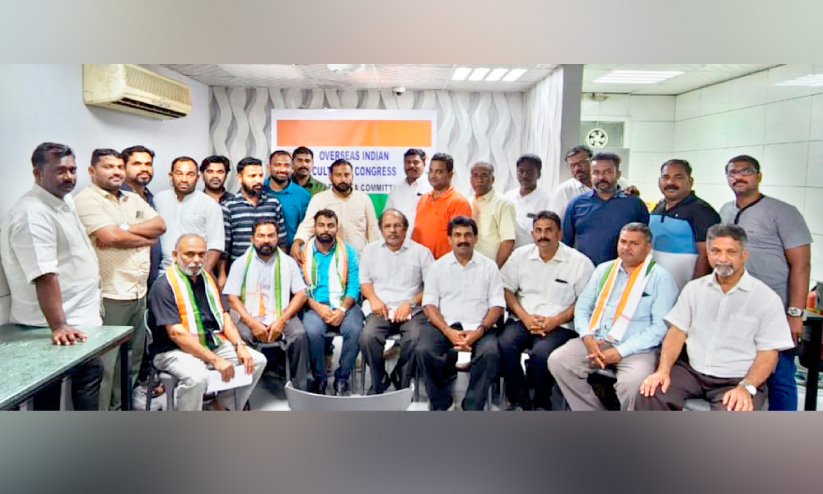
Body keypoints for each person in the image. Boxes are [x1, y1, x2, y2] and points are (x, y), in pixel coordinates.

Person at [637, 224, 795, 411]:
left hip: (737, 379)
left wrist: (746, 387)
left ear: (744, 255)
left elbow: (768, 353)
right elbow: (677, 332)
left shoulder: (766, 299)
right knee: (651, 392)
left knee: (735, 413)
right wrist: (663, 371)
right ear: (708, 254)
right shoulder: (694, 289)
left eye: (731, 252)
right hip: (691, 372)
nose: (723, 259)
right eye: (716, 251)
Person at [0, 142, 103, 410]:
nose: (69, 177)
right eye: (60, 170)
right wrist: (59, 325)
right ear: (38, 173)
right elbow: (43, 275)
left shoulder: (62, 200)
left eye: (72, 170)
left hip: (79, 320)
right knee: (49, 399)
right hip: (50, 328)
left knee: (87, 380)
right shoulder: (32, 213)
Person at [548, 223, 678, 411]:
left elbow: (660, 328)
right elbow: (582, 307)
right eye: (623, 242)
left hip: (637, 348)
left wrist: (620, 351)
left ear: (648, 247)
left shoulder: (661, 278)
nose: (626, 247)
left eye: (634, 243)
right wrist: (587, 336)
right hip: (598, 340)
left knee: (634, 385)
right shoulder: (604, 269)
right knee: (559, 361)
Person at [74, 148, 166, 410]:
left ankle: (121, 411)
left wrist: (124, 229)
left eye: (118, 167)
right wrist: (142, 238)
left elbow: (160, 226)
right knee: (107, 366)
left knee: (131, 363)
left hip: (138, 292)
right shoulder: (86, 200)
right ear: (92, 171)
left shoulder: (132, 198)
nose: (115, 171)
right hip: (111, 294)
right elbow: (110, 237)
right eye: (108, 167)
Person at [719, 155, 812, 411]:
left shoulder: (784, 212)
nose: (738, 177)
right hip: (736, 307)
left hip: (775, 310)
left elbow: (802, 265)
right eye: (732, 172)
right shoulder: (726, 210)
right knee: (744, 373)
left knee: (780, 376)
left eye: (746, 171)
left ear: (758, 176)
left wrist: (795, 314)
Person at [147, 234, 267, 411]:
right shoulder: (163, 286)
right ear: (175, 255)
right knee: (197, 377)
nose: (196, 260)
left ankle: (221, 405)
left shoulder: (209, 279)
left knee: (256, 361)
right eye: (189, 254)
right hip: (172, 349)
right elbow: (176, 334)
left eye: (201, 254)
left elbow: (224, 316)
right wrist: (215, 360)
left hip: (210, 341)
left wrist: (239, 345)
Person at [498, 211, 594, 411]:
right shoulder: (520, 256)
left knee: (542, 354)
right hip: (524, 318)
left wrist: (554, 321)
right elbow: (506, 289)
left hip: (560, 324)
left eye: (549, 230)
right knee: (505, 344)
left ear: (560, 233)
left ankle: (542, 401)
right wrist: (525, 317)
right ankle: (519, 400)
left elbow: (585, 302)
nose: (543, 235)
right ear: (532, 234)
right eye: (539, 230)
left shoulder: (579, 263)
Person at [416, 216, 505, 411]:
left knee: (490, 353)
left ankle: (472, 405)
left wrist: (479, 331)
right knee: (424, 350)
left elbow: (497, 305)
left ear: (475, 238)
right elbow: (429, 304)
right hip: (445, 324)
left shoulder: (489, 267)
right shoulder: (437, 267)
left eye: (467, 235)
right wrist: (447, 331)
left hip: (480, 325)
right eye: (457, 235)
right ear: (449, 239)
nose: (462, 239)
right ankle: (441, 402)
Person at [224, 219, 311, 391]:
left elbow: (301, 294)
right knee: (242, 335)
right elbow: (232, 298)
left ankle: (299, 389)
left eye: (271, 236)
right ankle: (243, 391)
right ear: (252, 239)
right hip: (249, 315)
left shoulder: (288, 262)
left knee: (299, 334)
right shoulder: (240, 263)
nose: (266, 240)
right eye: (261, 236)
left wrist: (282, 320)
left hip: (282, 314)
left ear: (277, 238)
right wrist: (252, 323)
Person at [359, 209, 434, 394]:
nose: (392, 230)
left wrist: (411, 303)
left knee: (415, 338)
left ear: (405, 228)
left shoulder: (421, 252)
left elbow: (432, 286)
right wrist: (374, 300)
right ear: (381, 230)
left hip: (412, 311)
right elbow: (365, 282)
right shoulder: (370, 251)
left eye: (397, 226)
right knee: (368, 337)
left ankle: (402, 378)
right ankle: (379, 380)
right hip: (380, 309)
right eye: (387, 226)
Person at [299, 210, 364, 396]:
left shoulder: (349, 251)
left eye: (330, 226)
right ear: (315, 228)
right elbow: (299, 288)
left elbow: (354, 285)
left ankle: (342, 379)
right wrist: (318, 307)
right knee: (312, 332)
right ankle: (319, 379)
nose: (325, 229)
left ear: (337, 228)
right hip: (314, 304)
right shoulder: (302, 252)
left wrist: (342, 309)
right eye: (321, 225)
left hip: (344, 304)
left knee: (355, 330)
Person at [561, 152, 649, 266]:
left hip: (623, 271)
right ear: (590, 174)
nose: (601, 177)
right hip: (584, 270)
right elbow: (565, 244)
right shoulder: (576, 204)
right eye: (596, 172)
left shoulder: (635, 204)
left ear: (618, 174)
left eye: (607, 172)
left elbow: (644, 243)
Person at [649, 159, 720, 290]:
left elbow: (706, 254)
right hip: (656, 286)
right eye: (666, 177)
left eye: (678, 177)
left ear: (690, 181)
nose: (670, 182)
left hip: (686, 288)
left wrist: (695, 289)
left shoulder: (702, 211)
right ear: (659, 181)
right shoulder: (658, 207)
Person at [292, 159, 379, 260]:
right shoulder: (319, 199)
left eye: (347, 175)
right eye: (338, 175)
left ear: (352, 176)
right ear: (330, 177)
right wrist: (297, 243)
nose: (343, 179)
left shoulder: (364, 199)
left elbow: (373, 231)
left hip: (359, 259)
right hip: (329, 259)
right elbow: (307, 226)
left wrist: (376, 257)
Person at [154, 156, 225, 273]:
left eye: (190, 174)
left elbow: (216, 245)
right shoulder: (158, 199)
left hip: (195, 271)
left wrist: (201, 275)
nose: (184, 179)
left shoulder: (210, 205)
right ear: (171, 176)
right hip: (162, 271)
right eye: (179, 173)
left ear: (197, 178)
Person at [221, 157, 287, 270]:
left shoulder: (273, 202)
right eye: (252, 176)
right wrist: (222, 273)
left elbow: (282, 241)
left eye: (260, 176)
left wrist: (281, 267)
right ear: (240, 178)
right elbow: (225, 247)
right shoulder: (229, 206)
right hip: (240, 269)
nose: (258, 180)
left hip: (270, 268)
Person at [411, 153, 473, 259]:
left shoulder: (458, 202)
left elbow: (461, 241)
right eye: (431, 171)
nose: (433, 176)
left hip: (443, 265)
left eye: (438, 172)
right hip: (419, 262)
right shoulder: (423, 199)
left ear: (450, 174)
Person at [550, 145, 630, 221]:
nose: (577, 168)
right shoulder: (563, 191)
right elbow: (553, 221)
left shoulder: (620, 183)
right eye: (572, 165)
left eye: (582, 163)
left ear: (592, 162)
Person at [121, 145, 162, 286]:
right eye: (137, 164)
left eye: (148, 164)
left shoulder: (151, 198)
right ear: (123, 168)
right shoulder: (116, 198)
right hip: (125, 282)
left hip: (151, 278)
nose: (144, 168)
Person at [468, 161, 517, 267]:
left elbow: (508, 241)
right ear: (471, 179)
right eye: (475, 176)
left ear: (493, 179)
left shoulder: (503, 203)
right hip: (470, 264)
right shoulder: (468, 202)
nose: (479, 180)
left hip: (492, 264)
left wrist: (496, 268)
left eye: (484, 175)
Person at [504, 154, 552, 249]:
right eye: (521, 171)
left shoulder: (546, 202)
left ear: (539, 174)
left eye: (529, 172)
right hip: (507, 250)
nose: (524, 175)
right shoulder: (507, 197)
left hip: (532, 251)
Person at [265, 150, 311, 248]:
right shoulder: (259, 189)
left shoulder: (303, 195)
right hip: (260, 251)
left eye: (287, 165)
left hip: (292, 252)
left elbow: (307, 228)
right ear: (269, 167)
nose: (282, 169)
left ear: (292, 168)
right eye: (277, 165)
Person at [385, 148, 432, 236]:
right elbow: (388, 215)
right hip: (400, 239)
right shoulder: (397, 188)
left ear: (424, 164)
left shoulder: (431, 187)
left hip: (425, 238)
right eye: (408, 162)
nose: (411, 165)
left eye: (416, 162)